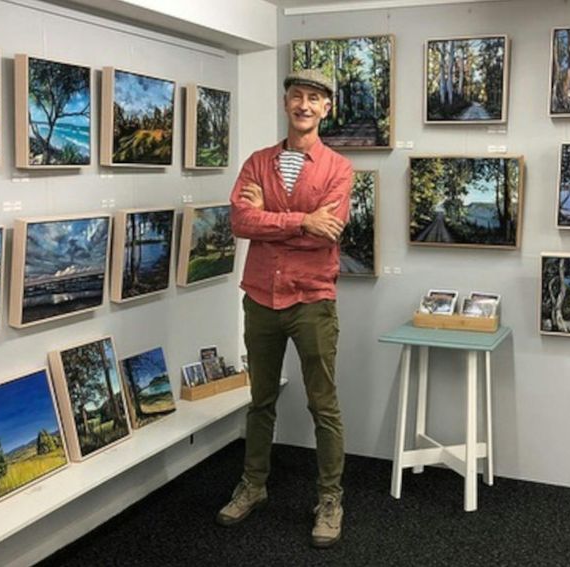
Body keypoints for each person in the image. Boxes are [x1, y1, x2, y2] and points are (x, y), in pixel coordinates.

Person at [216, 69, 353, 548]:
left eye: (315, 98)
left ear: (326, 109)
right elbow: (239, 219)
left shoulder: (338, 168)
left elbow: (329, 230)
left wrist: (269, 219)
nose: (305, 105)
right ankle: (253, 486)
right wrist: (301, 220)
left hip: (313, 298)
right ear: (286, 103)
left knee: (324, 405)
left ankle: (330, 498)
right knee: (261, 401)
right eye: (298, 96)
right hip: (260, 298)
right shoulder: (257, 162)